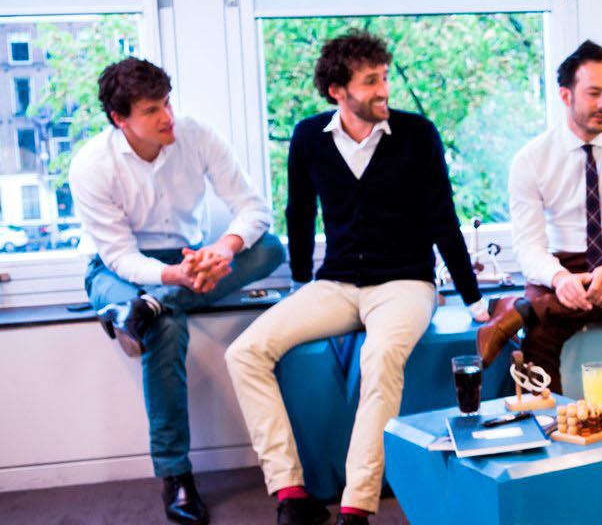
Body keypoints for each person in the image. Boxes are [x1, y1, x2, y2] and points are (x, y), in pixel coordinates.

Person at [225, 30, 488, 525]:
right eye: (370, 81)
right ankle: (289, 493)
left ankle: (356, 506)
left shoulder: (417, 134)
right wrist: (299, 285)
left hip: (405, 284)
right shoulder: (308, 138)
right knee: (244, 353)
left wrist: (474, 303)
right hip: (337, 283)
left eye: (384, 77)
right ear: (337, 91)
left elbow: (443, 220)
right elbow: (299, 213)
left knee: (380, 357)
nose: (383, 89)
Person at [71, 57, 285, 525]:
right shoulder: (91, 165)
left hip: (190, 257)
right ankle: (176, 474)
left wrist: (222, 251)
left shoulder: (197, 135)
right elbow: (119, 255)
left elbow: (254, 210)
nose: (167, 116)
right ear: (120, 119)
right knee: (165, 328)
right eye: (152, 110)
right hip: (118, 268)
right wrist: (174, 277)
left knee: (270, 249)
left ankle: (141, 309)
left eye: (167, 102)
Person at [479, 40, 602, 392]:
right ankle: (549, 418)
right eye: (594, 93)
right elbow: (528, 249)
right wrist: (559, 279)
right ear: (566, 95)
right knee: (540, 336)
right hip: (560, 266)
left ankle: (526, 309)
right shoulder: (531, 160)